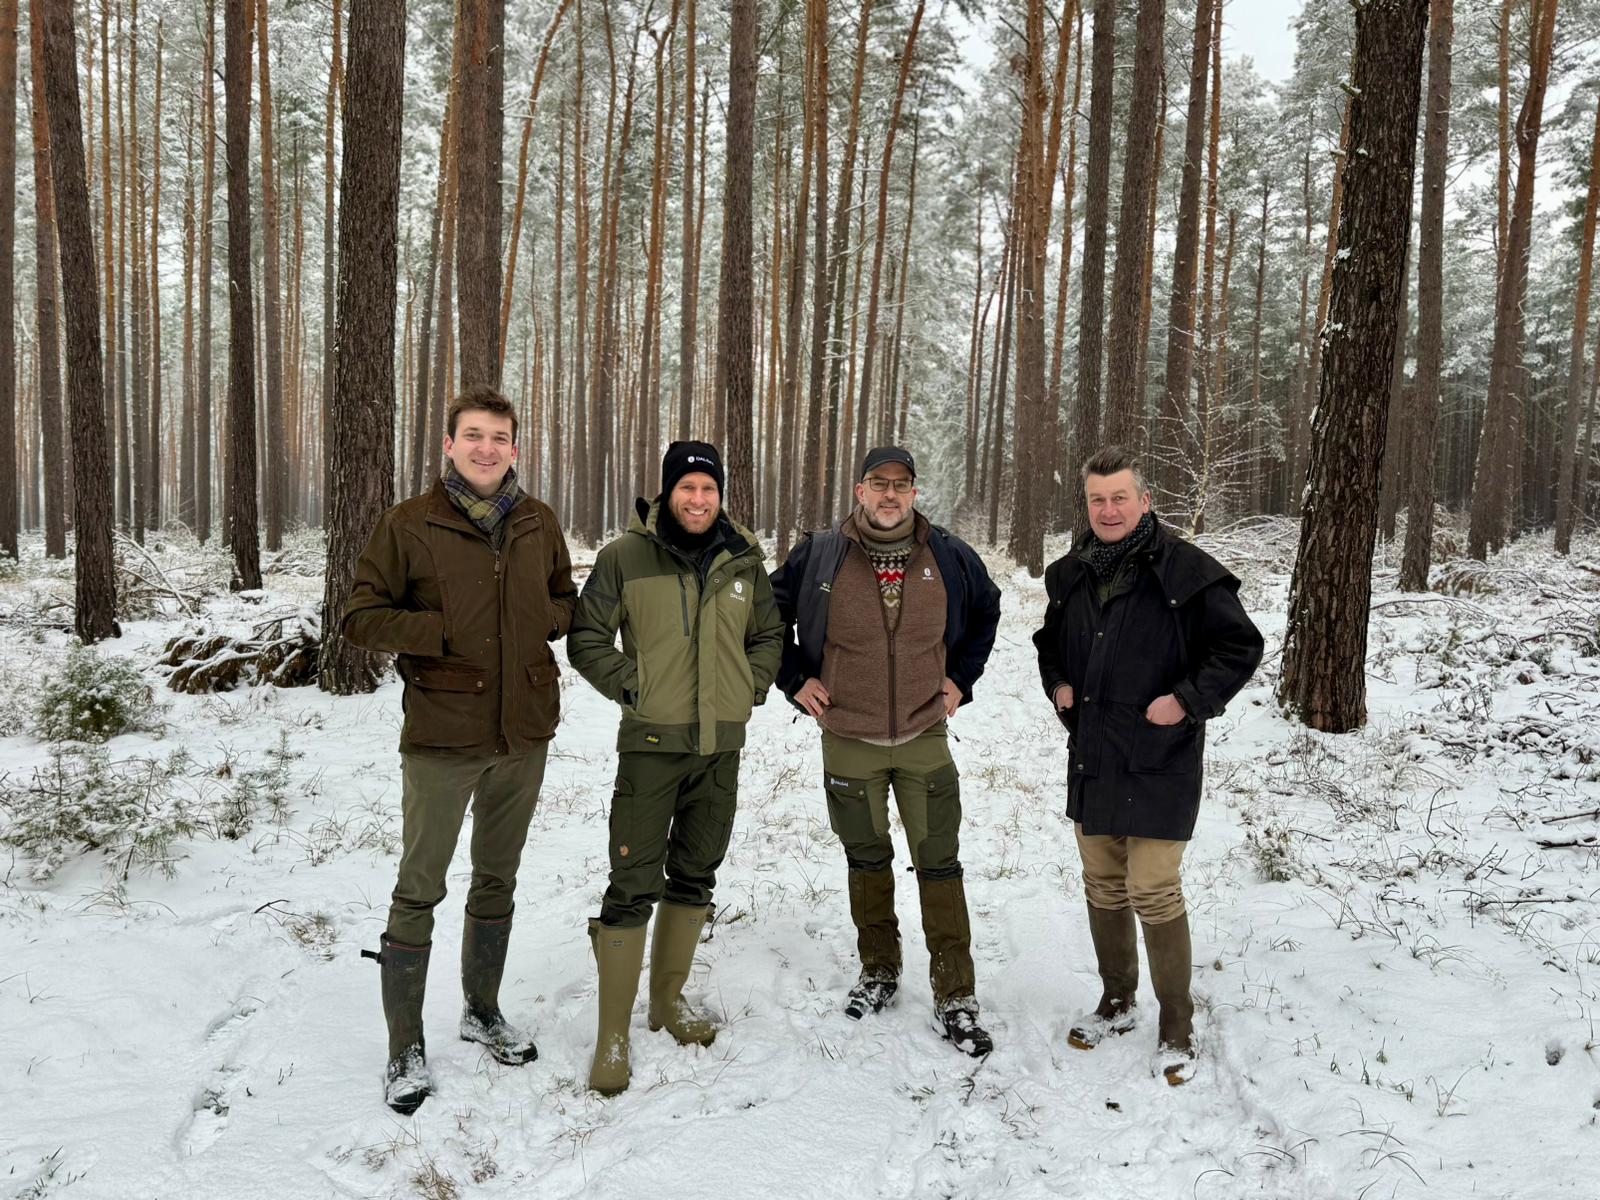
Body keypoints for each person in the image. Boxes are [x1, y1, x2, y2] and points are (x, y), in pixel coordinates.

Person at [344, 385, 577, 1114]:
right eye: (472, 435)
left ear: (515, 447)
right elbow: (359, 615)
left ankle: (481, 1012)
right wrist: (436, 631)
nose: (486, 448)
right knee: (420, 888)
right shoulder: (408, 524)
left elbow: (563, 600)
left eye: (498, 437)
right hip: (444, 732)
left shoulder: (538, 520)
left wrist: (545, 618)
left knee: (496, 879)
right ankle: (404, 1045)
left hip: (523, 733)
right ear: (449, 444)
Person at [1033, 446, 1262, 1085]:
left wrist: (1185, 701)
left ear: (1145, 501)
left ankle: (1176, 1022)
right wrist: (1058, 683)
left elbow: (1240, 646)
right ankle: (1116, 999)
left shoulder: (1187, 572)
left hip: (1161, 756)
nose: (1108, 510)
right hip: (1096, 753)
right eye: (1097, 499)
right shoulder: (1072, 572)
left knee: (1154, 889)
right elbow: (1050, 642)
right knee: (1102, 882)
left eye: (1120, 498)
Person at [567, 441, 784, 1095]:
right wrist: (635, 687)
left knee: (696, 872)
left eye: (708, 490)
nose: (698, 500)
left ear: (721, 496)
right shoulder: (625, 557)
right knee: (631, 881)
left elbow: (769, 634)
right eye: (686, 488)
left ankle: (667, 1003)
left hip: (721, 750)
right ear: (667, 493)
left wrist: (751, 684)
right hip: (651, 748)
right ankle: (613, 1035)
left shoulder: (744, 559)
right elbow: (586, 638)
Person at [770, 447, 1002, 1057]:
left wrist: (962, 679)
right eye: (879, 484)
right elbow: (768, 618)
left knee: (939, 861)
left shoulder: (947, 555)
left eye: (901, 484)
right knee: (866, 856)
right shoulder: (820, 554)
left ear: (915, 492)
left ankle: (955, 992)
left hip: (924, 734)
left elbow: (987, 609)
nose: (890, 494)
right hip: (848, 737)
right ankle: (879, 970)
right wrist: (794, 678)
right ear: (859, 490)